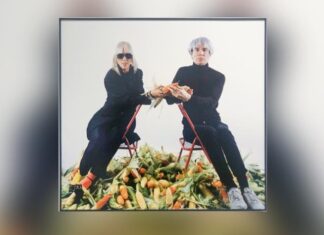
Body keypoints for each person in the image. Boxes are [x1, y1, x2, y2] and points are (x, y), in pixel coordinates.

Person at [165, 37, 265, 210]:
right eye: (196, 49)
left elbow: (212, 102)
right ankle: (232, 188)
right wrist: (171, 92)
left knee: (224, 132)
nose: (200, 52)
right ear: (191, 53)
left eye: (205, 50)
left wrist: (189, 97)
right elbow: (168, 100)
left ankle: (246, 188)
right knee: (209, 133)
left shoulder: (218, 77)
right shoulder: (183, 71)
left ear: (210, 53)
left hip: (213, 119)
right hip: (192, 125)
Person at [78, 41, 163, 188]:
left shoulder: (138, 73)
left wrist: (159, 93)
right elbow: (124, 100)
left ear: (132, 57)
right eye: (120, 55)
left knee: (116, 134)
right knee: (99, 136)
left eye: (128, 55)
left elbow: (139, 96)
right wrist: (148, 95)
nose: (124, 59)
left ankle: (94, 173)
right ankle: (83, 170)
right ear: (116, 58)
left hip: (126, 119)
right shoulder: (110, 76)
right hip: (107, 116)